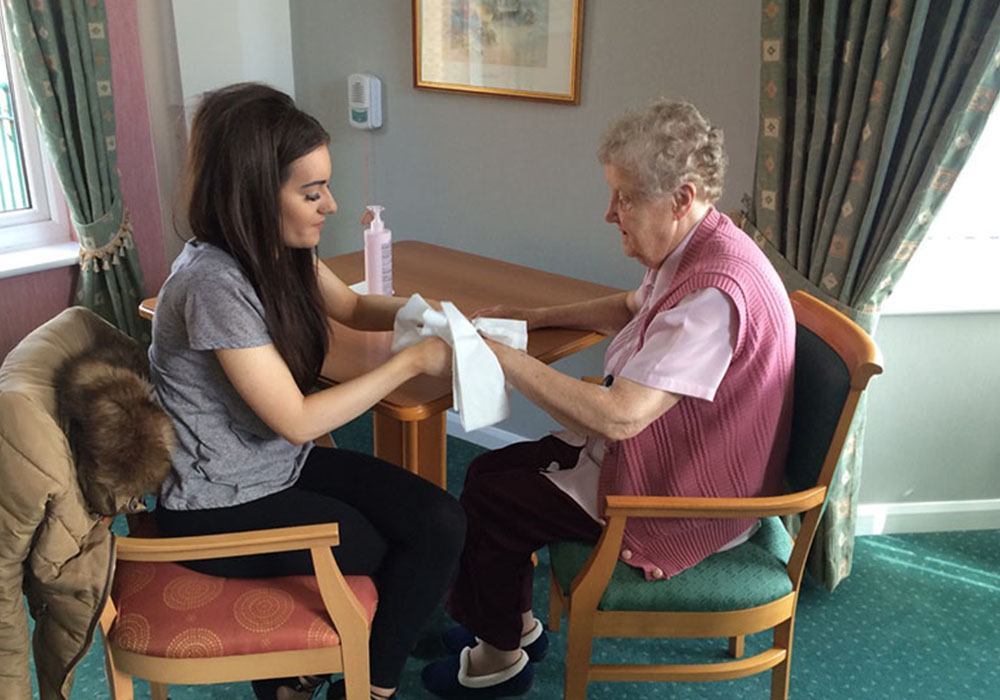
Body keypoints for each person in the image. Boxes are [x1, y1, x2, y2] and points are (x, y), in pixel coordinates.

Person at [420, 99, 796, 698]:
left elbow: (621, 420)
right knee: (491, 471)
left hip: (690, 492)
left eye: (625, 198)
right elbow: (631, 305)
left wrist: (504, 357)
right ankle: (510, 624)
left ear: (681, 196)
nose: (609, 213)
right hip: (681, 454)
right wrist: (534, 315)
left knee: (493, 499)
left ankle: (498, 662)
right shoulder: (699, 244)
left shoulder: (712, 298)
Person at [148, 83, 466, 700]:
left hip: (271, 467)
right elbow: (297, 418)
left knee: (440, 521)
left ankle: (340, 679)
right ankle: (344, 682)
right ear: (253, 194)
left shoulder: (277, 247)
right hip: (215, 505)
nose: (332, 205)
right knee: (385, 548)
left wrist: (438, 317)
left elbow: (350, 305)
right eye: (312, 192)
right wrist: (409, 365)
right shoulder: (213, 283)